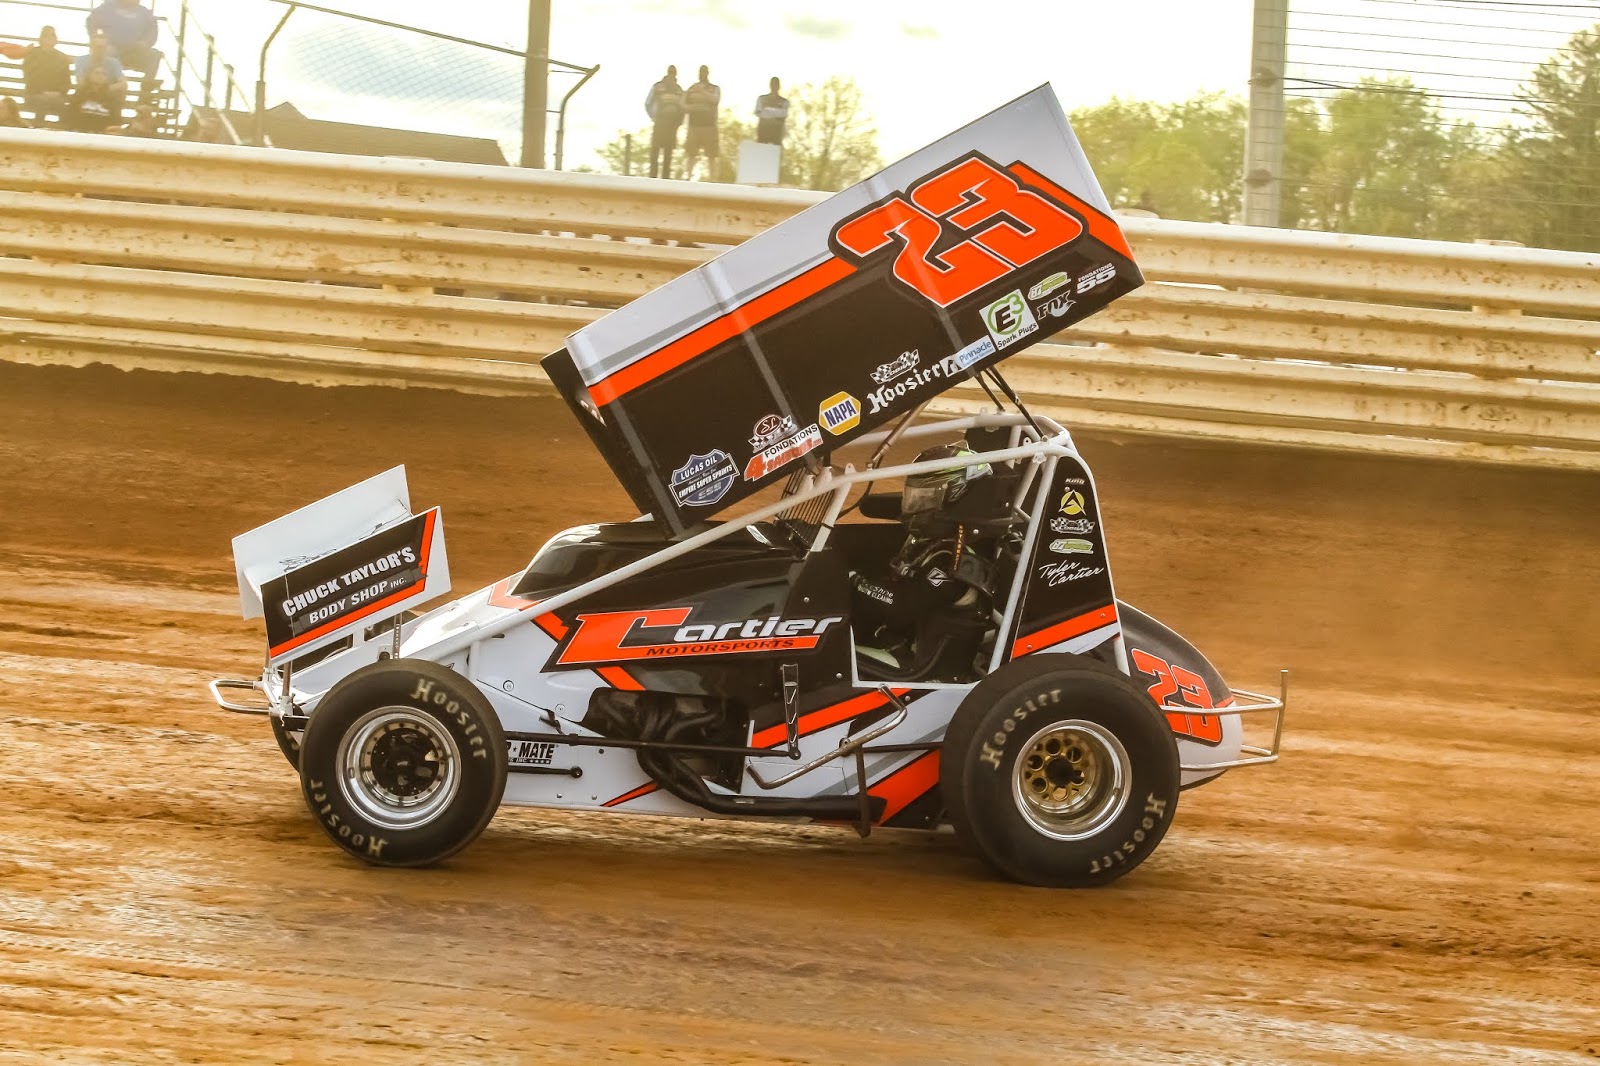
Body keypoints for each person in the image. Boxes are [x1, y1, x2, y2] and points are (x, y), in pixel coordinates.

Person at [86, 0, 161, 100]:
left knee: (155, 55)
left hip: (135, 51)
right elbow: (91, 21)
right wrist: (95, 38)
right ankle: (105, 92)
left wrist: (146, 43)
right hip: (112, 47)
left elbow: (153, 31)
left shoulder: (145, 13)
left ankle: (145, 92)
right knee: (108, 52)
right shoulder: (107, 7)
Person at [21, 26, 72, 123]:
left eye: (52, 36)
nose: (49, 39)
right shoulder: (32, 54)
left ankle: (64, 132)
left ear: (56, 40)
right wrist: (42, 92)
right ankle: (37, 130)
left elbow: (67, 82)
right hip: (34, 94)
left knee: (63, 106)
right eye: (46, 36)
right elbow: (28, 77)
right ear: (41, 39)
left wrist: (59, 92)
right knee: (42, 102)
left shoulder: (62, 58)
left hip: (57, 96)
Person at [643, 65, 684, 179]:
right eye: (670, 72)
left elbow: (682, 108)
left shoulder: (679, 89)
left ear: (675, 74)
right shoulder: (657, 86)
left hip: (672, 125)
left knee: (668, 153)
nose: (671, 74)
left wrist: (679, 123)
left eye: (673, 73)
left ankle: (665, 179)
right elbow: (648, 103)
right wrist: (653, 116)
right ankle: (652, 176)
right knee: (655, 151)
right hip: (659, 122)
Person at [681, 65, 721, 180]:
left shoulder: (714, 88)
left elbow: (715, 100)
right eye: (700, 72)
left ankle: (714, 180)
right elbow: (683, 105)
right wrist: (695, 106)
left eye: (704, 72)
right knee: (691, 154)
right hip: (694, 126)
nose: (702, 74)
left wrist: (702, 91)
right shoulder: (691, 88)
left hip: (709, 125)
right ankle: (688, 178)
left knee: (712, 156)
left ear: (708, 73)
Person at [62, 63, 125, 133]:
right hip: (79, 132)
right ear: (89, 76)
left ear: (107, 79)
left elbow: (116, 121)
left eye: (104, 74)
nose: (100, 76)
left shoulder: (112, 99)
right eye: (97, 73)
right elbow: (70, 114)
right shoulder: (80, 94)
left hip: (102, 134)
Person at [73, 31, 128, 103]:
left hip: (108, 95)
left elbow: (123, 84)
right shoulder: (81, 60)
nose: (100, 49)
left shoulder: (114, 63)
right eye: (97, 46)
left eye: (103, 47)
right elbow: (80, 81)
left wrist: (105, 88)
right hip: (87, 93)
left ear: (107, 48)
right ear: (91, 46)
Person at [754, 76, 788, 146]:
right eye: (772, 85)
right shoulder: (761, 98)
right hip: (763, 132)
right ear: (770, 86)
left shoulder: (784, 101)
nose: (774, 87)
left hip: (777, 134)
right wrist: (776, 113)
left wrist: (767, 110)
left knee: (775, 154)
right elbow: (758, 112)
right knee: (761, 151)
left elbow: (783, 114)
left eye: (776, 85)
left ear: (779, 86)